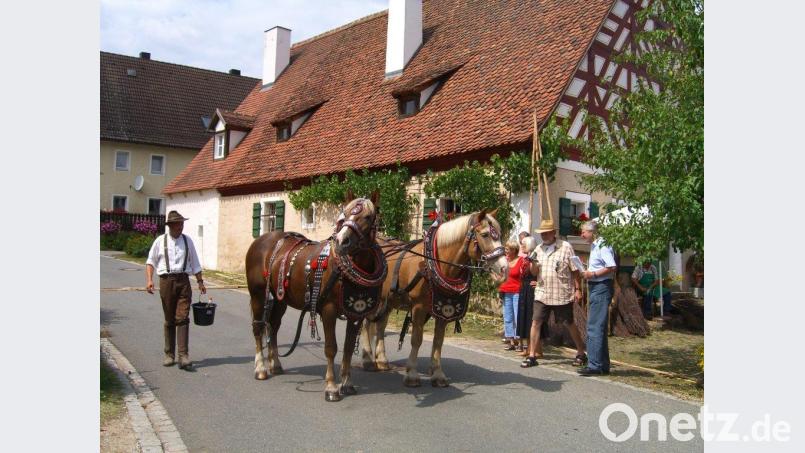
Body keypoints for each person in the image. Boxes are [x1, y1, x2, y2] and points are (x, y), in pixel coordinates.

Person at [520, 220, 586, 368]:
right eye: (542, 233)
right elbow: (534, 272)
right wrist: (533, 265)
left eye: (546, 232)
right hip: (542, 292)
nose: (543, 235)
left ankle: (581, 352)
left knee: (568, 323)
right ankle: (532, 356)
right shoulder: (538, 249)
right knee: (536, 322)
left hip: (561, 293)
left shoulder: (565, 247)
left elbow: (575, 270)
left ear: (554, 233)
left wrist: (577, 289)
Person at [145, 210, 206, 370]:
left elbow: (196, 263)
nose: (181, 227)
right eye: (178, 224)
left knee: (183, 317)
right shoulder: (160, 241)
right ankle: (169, 354)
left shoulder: (188, 241)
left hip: (183, 281)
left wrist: (200, 281)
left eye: (182, 224)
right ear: (170, 226)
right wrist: (150, 280)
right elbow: (150, 261)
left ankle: (183, 356)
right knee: (169, 319)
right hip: (166, 281)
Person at [578, 221, 617, 376]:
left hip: (601, 286)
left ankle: (594, 365)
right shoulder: (596, 246)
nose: (581, 235)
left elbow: (611, 266)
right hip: (597, 286)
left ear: (592, 232)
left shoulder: (602, 245)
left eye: (583, 232)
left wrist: (592, 274)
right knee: (597, 326)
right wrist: (588, 269)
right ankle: (602, 365)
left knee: (594, 326)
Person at [498, 240, 524, 351]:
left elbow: (524, 275)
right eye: (506, 249)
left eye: (508, 249)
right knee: (507, 317)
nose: (506, 251)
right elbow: (499, 276)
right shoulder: (505, 261)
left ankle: (519, 341)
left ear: (514, 250)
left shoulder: (521, 261)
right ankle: (511, 341)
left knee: (517, 317)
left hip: (517, 291)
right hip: (505, 291)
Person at [516, 236, 538, 357]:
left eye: (523, 244)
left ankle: (533, 349)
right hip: (524, 288)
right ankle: (528, 347)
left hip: (531, 290)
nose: (521, 246)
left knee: (530, 318)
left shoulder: (534, 257)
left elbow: (535, 272)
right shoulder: (526, 258)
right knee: (525, 318)